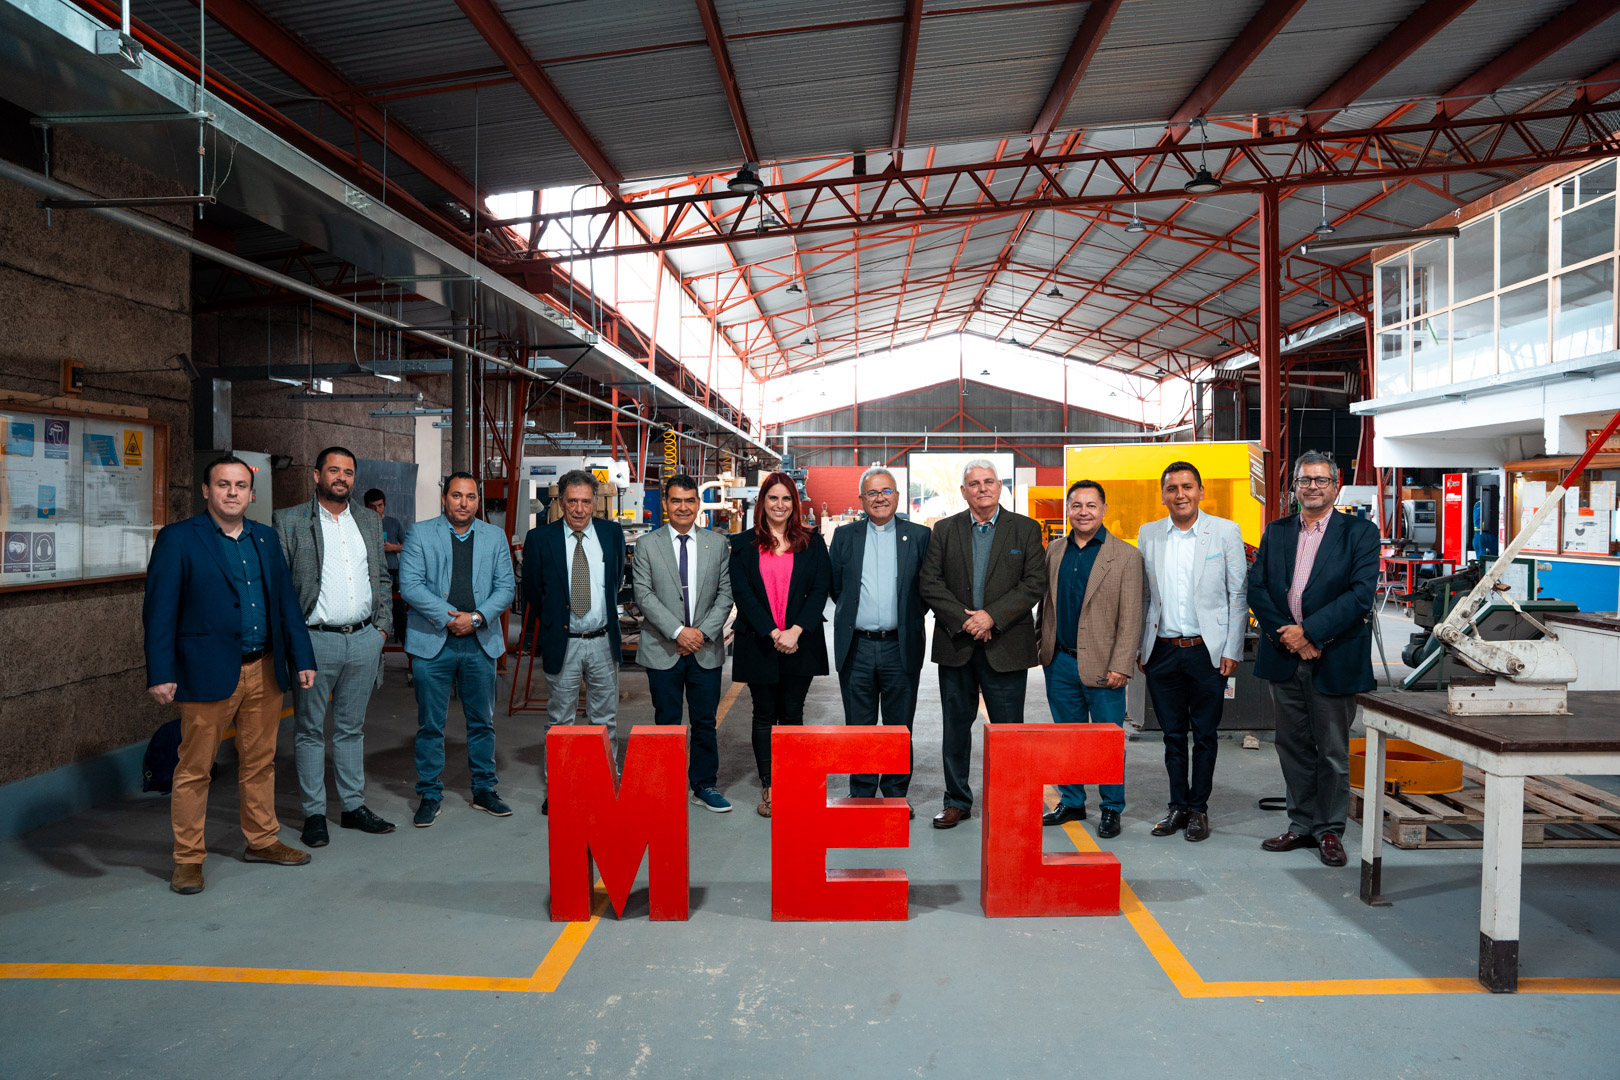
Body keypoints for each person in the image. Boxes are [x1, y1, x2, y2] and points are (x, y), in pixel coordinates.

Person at [142, 455, 317, 894]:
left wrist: (303, 658)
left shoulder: (265, 538)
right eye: (223, 484)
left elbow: (286, 603)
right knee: (194, 768)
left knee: (260, 762)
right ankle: (188, 859)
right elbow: (159, 611)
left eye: (240, 485)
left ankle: (262, 840)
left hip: (265, 669)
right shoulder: (179, 539)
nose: (232, 492)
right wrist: (161, 671)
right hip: (206, 672)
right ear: (206, 490)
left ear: (251, 494)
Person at [1248, 450, 1380, 868]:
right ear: (1295, 487)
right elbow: (1258, 588)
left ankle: (1329, 830)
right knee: (1292, 746)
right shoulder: (1277, 532)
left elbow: (1360, 594)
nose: (1312, 487)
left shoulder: (1360, 533)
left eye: (1321, 480)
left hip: (1334, 656)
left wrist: (1310, 632)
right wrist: (1291, 637)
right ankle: (1301, 824)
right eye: (1305, 480)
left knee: (1333, 751)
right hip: (1285, 656)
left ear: (1335, 486)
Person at [275, 448, 397, 848]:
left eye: (348, 472)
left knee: (351, 729)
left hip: (364, 640)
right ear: (316, 475)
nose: (341, 477)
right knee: (310, 731)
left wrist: (381, 630)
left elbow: (381, 578)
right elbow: (282, 589)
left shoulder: (368, 520)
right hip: (315, 641)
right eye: (333, 470)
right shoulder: (290, 520)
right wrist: (296, 645)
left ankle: (352, 806)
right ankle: (314, 814)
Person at [918, 458, 1046, 829]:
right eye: (974, 484)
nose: (982, 488)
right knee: (955, 730)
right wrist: (967, 622)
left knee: (1009, 732)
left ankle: (1009, 801)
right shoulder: (944, 530)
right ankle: (957, 801)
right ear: (964, 491)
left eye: (989, 481)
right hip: (956, 645)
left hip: (1006, 645)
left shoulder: (1025, 529)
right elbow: (930, 583)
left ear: (1000, 486)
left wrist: (991, 616)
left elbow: (1033, 583)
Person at [1135, 461, 1249, 843]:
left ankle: (1199, 808)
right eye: (1172, 488)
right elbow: (1145, 596)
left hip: (1207, 651)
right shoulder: (1149, 534)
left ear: (1200, 491)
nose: (1180, 494)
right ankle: (1177, 806)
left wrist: (1232, 648)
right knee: (1171, 735)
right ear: (1163, 495)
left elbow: (1237, 595)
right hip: (1163, 651)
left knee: (1204, 735)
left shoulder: (1225, 532)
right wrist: (1141, 647)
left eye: (1187, 487)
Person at [399, 472, 516, 827]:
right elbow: (410, 585)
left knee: (482, 722)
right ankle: (429, 794)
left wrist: (476, 619)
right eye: (456, 495)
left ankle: (484, 789)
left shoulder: (494, 537)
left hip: (480, 644)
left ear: (478, 501)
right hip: (433, 643)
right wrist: (451, 618)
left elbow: (506, 587)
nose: (463, 503)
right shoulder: (420, 533)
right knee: (430, 725)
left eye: (470, 496)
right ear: (444, 498)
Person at [1035, 480, 1144, 839]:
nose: (1083, 512)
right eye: (1077, 505)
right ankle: (1072, 801)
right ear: (1068, 509)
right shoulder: (1054, 550)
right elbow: (1046, 605)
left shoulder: (1125, 556)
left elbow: (1132, 616)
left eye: (1091, 505)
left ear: (1104, 509)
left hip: (1105, 665)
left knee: (1107, 742)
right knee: (1067, 738)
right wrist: (1042, 648)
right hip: (1060, 662)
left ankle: (1111, 807)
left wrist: (1121, 664)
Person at [523, 469, 627, 815]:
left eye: (585, 501)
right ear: (560, 502)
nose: (579, 509)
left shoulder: (612, 534)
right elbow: (533, 591)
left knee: (605, 719)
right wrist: (555, 622)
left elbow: (616, 580)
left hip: (602, 640)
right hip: (563, 641)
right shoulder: (541, 538)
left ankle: (606, 785)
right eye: (572, 501)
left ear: (595, 503)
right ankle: (560, 787)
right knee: (559, 720)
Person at [828, 467, 931, 814]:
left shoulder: (919, 536)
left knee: (899, 726)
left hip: (900, 646)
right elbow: (837, 587)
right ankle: (861, 793)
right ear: (861, 500)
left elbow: (926, 589)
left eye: (886, 491)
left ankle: (895, 793)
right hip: (856, 646)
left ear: (897, 496)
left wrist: (906, 617)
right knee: (859, 726)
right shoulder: (845, 536)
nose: (880, 498)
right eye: (872, 493)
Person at [729, 472, 831, 818]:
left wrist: (795, 631)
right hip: (759, 640)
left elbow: (820, 590)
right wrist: (774, 632)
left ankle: (790, 780)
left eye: (786, 498)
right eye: (773, 498)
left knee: (792, 713)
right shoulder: (743, 544)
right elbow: (743, 594)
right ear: (763, 502)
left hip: (800, 642)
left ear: (795, 504)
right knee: (763, 714)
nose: (780, 504)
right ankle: (769, 785)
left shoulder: (812, 542)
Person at [630, 473, 734, 812]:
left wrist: (699, 634)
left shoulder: (717, 544)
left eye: (690, 501)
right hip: (663, 648)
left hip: (705, 648)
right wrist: (678, 632)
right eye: (676, 500)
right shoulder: (647, 545)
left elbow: (725, 594)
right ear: (665, 504)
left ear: (698, 504)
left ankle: (704, 785)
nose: (683, 507)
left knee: (705, 722)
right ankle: (668, 784)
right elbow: (644, 595)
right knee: (666, 721)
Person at [363, 488, 408, 651]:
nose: (377, 510)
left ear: (385, 505)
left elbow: (408, 546)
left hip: (392, 573)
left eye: (380, 505)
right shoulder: (361, 523)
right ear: (366, 507)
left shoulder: (394, 522)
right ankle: (372, 653)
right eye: (372, 506)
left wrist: (393, 547)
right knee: (370, 614)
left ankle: (410, 655)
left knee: (399, 614)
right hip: (369, 573)